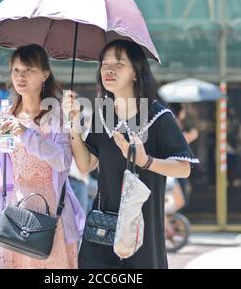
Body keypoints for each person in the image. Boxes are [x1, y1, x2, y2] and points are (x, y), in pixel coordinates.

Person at [63, 39, 199, 269]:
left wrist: (146, 161)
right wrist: (73, 122)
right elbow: (86, 164)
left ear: (135, 72)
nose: (108, 69)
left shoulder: (159, 116)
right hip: (102, 227)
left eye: (118, 64)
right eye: (104, 64)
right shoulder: (102, 114)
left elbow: (184, 168)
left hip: (143, 231)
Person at [0, 44, 85, 269]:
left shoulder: (57, 116)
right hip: (13, 212)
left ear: (45, 74)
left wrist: (27, 134)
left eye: (28, 70)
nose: (20, 77)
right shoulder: (6, 116)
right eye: (16, 70)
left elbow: (63, 160)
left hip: (51, 215)